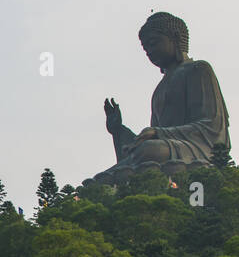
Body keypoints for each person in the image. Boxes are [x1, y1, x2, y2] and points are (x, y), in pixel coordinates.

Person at [92, 12, 229, 183]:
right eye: (145, 48)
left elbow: (212, 127)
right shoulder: (159, 89)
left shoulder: (199, 70)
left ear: (175, 38)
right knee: (100, 178)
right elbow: (149, 137)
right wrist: (118, 131)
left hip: (197, 150)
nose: (149, 52)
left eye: (153, 43)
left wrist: (158, 133)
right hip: (165, 150)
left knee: (151, 150)